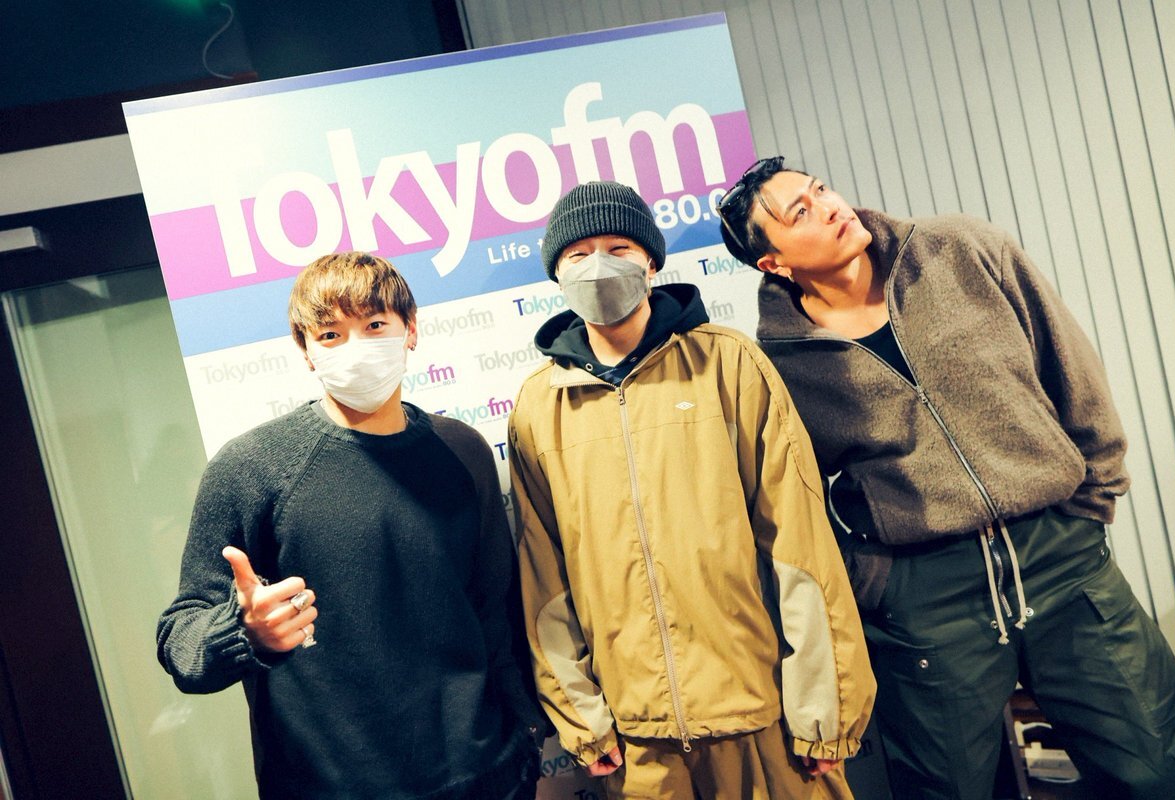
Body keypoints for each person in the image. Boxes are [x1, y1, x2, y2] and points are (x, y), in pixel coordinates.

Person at [715, 156, 1175, 799]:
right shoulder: (780, 362)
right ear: (773, 262)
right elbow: (792, 495)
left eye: (820, 189)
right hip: (928, 599)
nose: (830, 206)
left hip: (1060, 557)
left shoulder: (960, 250)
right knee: (947, 790)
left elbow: (1069, 365)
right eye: (800, 211)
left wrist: (1094, 494)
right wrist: (873, 579)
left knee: (1159, 766)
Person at [507, 181, 875, 799]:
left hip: (761, 715)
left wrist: (823, 706)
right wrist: (582, 719)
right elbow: (544, 575)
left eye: (619, 248)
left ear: (651, 261)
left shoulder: (729, 364)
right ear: (556, 273)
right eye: (578, 254)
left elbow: (799, 542)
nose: (598, 266)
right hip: (638, 740)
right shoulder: (540, 407)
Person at [157, 252, 542, 800]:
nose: (356, 348)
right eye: (331, 334)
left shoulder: (462, 450)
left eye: (375, 325)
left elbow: (495, 608)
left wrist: (524, 735)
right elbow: (181, 640)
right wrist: (243, 631)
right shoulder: (251, 468)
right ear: (305, 350)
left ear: (411, 330)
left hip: (486, 776)